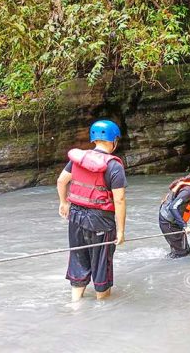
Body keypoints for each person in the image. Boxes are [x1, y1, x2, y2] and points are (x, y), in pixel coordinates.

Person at [56, 120, 127, 301]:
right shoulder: (114, 166)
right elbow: (119, 199)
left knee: (78, 258)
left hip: (76, 216)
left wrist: (64, 203)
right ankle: (101, 305)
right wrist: (120, 230)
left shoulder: (78, 160)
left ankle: (75, 304)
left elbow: (61, 181)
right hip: (100, 220)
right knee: (102, 262)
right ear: (114, 140)